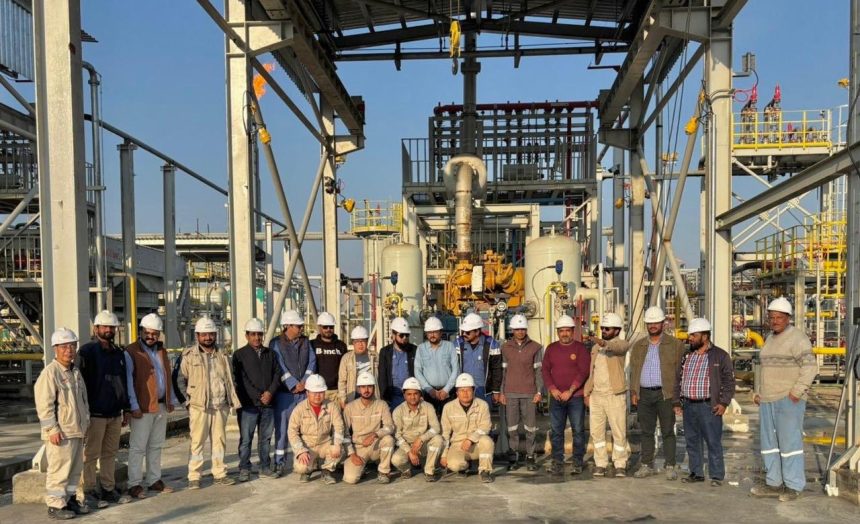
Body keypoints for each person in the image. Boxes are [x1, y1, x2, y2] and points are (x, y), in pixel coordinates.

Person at [750, 297, 817, 502]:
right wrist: (759, 392)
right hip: (768, 399)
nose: (775, 321)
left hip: (788, 399)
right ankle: (774, 483)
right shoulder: (770, 338)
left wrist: (797, 392)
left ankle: (793, 485)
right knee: (769, 444)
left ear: (788, 318)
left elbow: (810, 367)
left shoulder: (798, 339)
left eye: (779, 317)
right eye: (772, 317)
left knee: (790, 444)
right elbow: (765, 369)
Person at [177, 317, 241, 489]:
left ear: (215, 335)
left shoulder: (223, 355)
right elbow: (180, 380)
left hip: (220, 405)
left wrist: (230, 400)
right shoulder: (189, 356)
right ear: (197, 336)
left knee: (219, 441)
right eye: (204, 334)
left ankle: (219, 473)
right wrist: (187, 402)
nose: (208, 338)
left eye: (211, 334)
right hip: (199, 407)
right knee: (197, 442)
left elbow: (230, 378)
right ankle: (194, 476)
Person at [672, 318, 735, 487]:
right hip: (688, 405)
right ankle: (696, 473)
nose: (690, 338)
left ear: (705, 336)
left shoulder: (720, 356)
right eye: (690, 335)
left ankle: (716, 475)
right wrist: (676, 402)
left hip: (709, 406)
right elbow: (678, 379)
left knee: (713, 441)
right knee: (692, 441)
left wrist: (724, 402)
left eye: (694, 335)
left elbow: (729, 381)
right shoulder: (687, 356)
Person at [77, 310, 131, 506]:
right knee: (91, 455)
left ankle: (108, 489)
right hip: (95, 414)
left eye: (112, 327)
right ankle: (89, 490)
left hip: (114, 413)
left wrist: (126, 409)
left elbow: (123, 382)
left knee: (110, 453)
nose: (109, 330)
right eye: (105, 326)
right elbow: (79, 384)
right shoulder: (87, 352)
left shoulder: (118, 353)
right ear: (96, 328)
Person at [35, 328, 90, 520]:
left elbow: (83, 401)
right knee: (59, 471)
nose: (69, 350)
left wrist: (86, 424)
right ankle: (55, 504)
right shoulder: (50, 373)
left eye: (72, 346)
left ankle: (70, 499)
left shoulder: (75, 372)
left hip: (76, 430)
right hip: (61, 433)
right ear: (55, 349)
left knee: (74, 471)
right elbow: (44, 405)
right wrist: (52, 429)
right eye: (64, 346)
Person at [124, 313, 178, 499]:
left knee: (156, 445)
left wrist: (170, 399)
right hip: (143, 407)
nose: (151, 336)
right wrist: (133, 406)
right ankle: (134, 484)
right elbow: (129, 381)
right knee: (138, 447)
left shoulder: (162, 351)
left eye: (154, 333)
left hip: (161, 405)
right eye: (147, 333)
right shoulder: (131, 352)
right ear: (141, 331)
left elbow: (166, 376)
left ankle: (154, 479)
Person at [629, 306, 684, 479]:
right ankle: (646, 465)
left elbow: (681, 371)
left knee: (668, 431)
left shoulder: (675, 345)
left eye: (656, 323)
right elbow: (634, 371)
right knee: (646, 431)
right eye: (650, 323)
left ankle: (670, 465)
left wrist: (678, 397)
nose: (652, 326)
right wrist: (634, 392)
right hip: (644, 394)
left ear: (663, 323)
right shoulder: (639, 346)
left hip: (665, 394)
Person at [232, 318, 280, 482]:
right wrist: (259, 395)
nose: (257, 338)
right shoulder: (239, 355)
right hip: (248, 405)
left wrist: (270, 393)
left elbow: (277, 375)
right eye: (253, 334)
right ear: (247, 336)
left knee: (265, 439)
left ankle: (265, 466)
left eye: (259, 334)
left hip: (268, 404)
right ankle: (244, 467)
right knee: (246, 439)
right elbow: (241, 379)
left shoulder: (270, 354)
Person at [542, 314, 591, 475]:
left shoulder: (580, 349)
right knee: (556, 431)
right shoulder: (551, 349)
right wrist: (552, 389)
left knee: (578, 430)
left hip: (575, 397)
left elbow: (583, 371)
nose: (564, 334)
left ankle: (577, 462)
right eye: (561, 331)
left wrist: (570, 390)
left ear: (572, 331)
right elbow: (545, 371)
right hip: (556, 397)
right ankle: (557, 462)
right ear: (557, 332)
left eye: (567, 330)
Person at [270, 309, 316, 475]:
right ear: (288, 326)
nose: (301, 328)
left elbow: (312, 362)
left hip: (303, 393)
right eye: (298, 326)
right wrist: (293, 384)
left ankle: (305, 462)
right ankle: (279, 462)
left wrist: (305, 381)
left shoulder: (306, 342)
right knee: (282, 430)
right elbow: (279, 366)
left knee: (305, 428)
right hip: (285, 394)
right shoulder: (276, 343)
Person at [584, 313, 630, 478]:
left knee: (619, 431)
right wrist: (587, 392)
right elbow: (592, 371)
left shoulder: (621, 345)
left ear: (617, 330)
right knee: (597, 432)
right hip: (597, 395)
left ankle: (620, 463)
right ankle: (600, 463)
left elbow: (617, 348)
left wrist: (602, 342)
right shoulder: (595, 349)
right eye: (602, 328)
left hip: (614, 395)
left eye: (607, 328)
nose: (603, 330)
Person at [455, 313, 505, 454]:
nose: (464, 334)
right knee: (465, 423)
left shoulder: (491, 344)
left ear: (477, 331)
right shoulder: (458, 343)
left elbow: (497, 369)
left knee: (483, 422)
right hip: (464, 390)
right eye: (463, 331)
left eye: (468, 332)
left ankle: (485, 452)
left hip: (484, 391)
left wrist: (496, 391)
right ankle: (467, 454)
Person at [499, 313, 543, 471]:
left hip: (529, 393)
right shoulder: (505, 348)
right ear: (512, 330)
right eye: (517, 329)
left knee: (530, 428)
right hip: (510, 393)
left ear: (526, 329)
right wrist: (502, 392)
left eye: (523, 329)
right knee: (512, 428)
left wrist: (539, 392)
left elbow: (539, 372)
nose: (520, 332)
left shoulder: (536, 347)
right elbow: (503, 372)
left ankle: (530, 456)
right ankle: (514, 456)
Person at [288, 374, 345, 484]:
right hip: (308, 445)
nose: (318, 396)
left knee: (339, 450)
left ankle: (327, 471)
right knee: (301, 467)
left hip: (325, 443)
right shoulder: (299, 409)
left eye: (321, 392)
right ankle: (308, 470)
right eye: (314, 392)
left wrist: (337, 444)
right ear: (307, 393)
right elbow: (292, 432)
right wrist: (300, 451)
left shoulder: (332, 406)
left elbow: (339, 427)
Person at [439, 373, 495, 483]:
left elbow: (486, 426)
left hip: (477, 444)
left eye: (468, 390)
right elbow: (445, 433)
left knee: (487, 441)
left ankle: (485, 471)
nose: (465, 393)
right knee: (454, 465)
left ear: (473, 391)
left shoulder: (482, 405)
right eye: (462, 390)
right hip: (458, 446)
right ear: (457, 392)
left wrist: (470, 439)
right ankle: (465, 466)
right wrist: (444, 455)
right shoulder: (448, 408)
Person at [342, 372, 395, 484]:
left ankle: (383, 471)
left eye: (369, 386)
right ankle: (361, 468)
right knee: (351, 479)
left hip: (375, 445)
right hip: (358, 448)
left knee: (388, 439)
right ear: (358, 389)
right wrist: (352, 454)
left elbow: (390, 427)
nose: (366, 390)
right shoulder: (350, 407)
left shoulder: (382, 405)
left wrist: (375, 435)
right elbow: (344, 433)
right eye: (363, 387)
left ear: (374, 388)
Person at [391, 377, 444, 481]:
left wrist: (421, 439)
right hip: (406, 445)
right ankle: (407, 470)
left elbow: (436, 428)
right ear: (404, 395)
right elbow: (397, 435)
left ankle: (429, 471)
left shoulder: (428, 407)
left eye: (415, 393)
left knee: (438, 439)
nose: (413, 397)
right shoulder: (398, 411)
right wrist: (408, 451)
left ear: (420, 394)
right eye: (409, 394)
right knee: (396, 459)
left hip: (423, 444)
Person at [414, 317, 459, 415]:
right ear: (426, 333)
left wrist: (446, 390)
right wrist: (429, 390)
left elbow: (456, 369)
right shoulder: (421, 349)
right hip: (428, 394)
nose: (432, 335)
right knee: (430, 420)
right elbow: (417, 371)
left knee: (449, 420)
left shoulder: (449, 346)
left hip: (448, 393)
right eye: (429, 332)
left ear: (441, 332)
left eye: (435, 332)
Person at [377, 317, 416, 409]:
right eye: (401, 335)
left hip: (411, 394)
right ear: (393, 335)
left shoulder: (414, 350)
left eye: (407, 335)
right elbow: (382, 376)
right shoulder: (385, 352)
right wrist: (384, 397)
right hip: (393, 395)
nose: (405, 338)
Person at [338, 325, 378, 407]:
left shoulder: (375, 356)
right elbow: (342, 381)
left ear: (367, 341)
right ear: (353, 343)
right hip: (353, 395)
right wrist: (343, 399)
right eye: (357, 341)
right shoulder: (346, 358)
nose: (360, 344)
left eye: (363, 341)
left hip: (372, 395)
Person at [311, 311, 347, 403]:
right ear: (319, 327)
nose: (328, 329)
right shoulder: (312, 345)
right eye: (325, 327)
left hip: (337, 391)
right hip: (318, 390)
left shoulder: (341, 345)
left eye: (331, 327)